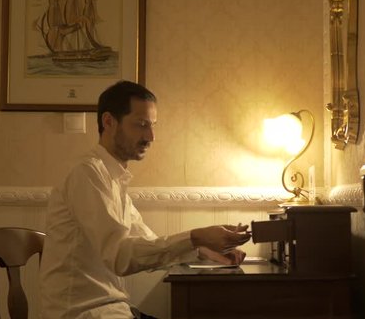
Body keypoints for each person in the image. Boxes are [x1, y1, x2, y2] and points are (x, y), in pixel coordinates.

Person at [39, 80, 251, 319]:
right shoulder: (87, 174)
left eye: (152, 126)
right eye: (141, 125)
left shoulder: (113, 179)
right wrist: (196, 236)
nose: (150, 136)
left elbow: (148, 246)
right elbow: (120, 257)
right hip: (84, 314)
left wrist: (208, 251)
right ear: (108, 122)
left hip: (113, 311)